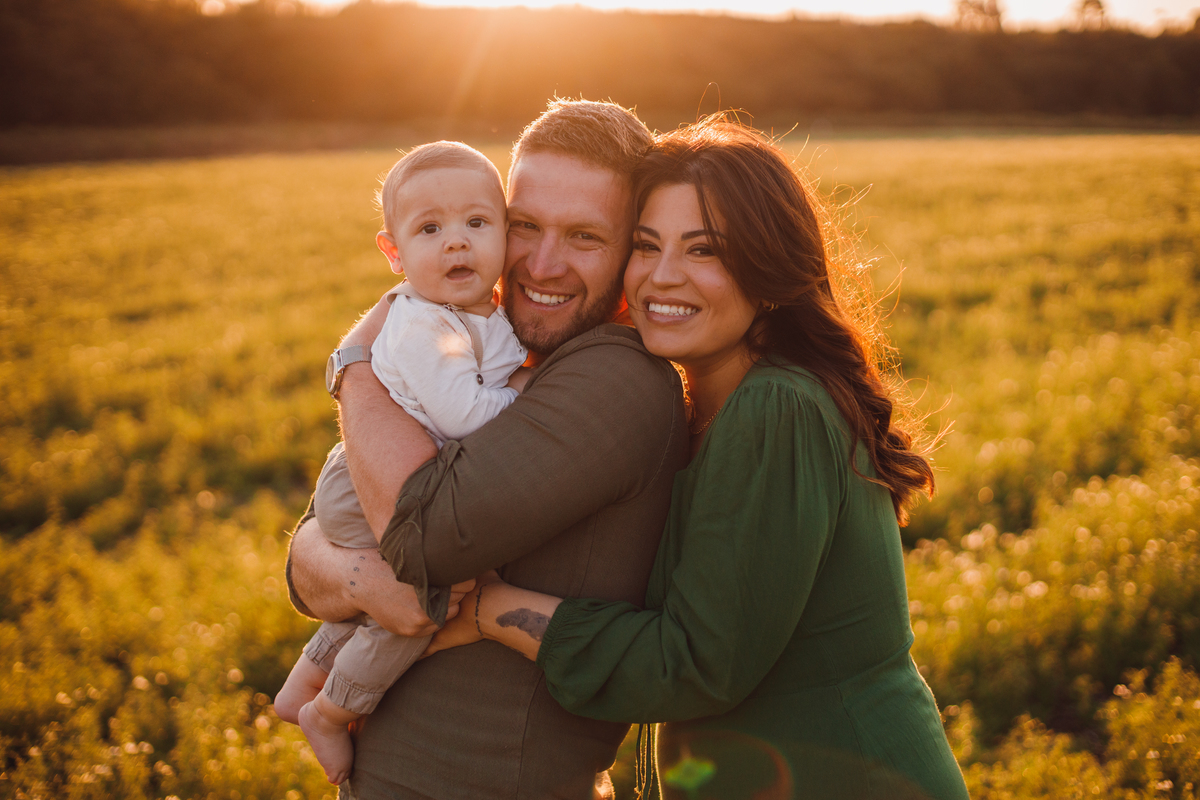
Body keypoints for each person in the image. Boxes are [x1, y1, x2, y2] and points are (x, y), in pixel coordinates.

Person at [425, 117, 972, 800]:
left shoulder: (777, 409)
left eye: (704, 250)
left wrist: (487, 610)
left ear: (769, 268)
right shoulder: (703, 408)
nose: (662, 277)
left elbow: (695, 665)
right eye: (647, 246)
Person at [285, 99, 690, 798]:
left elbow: (419, 541)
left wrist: (353, 365)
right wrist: (342, 571)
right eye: (523, 225)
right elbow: (311, 559)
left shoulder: (616, 377)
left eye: (585, 237)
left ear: (633, 250)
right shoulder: (489, 340)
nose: (541, 262)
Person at [273, 141, 528, 785]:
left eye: (477, 223)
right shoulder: (422, 326)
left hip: (381, 476)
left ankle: (302, 682)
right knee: (424, 599)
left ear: (506, 230)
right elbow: (465, 416)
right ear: (394, 253)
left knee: (379, 595)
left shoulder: (477, 313)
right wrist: (528, 397)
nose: (456, 244)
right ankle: (332, 710)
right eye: (430, 229)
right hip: (360, 486)